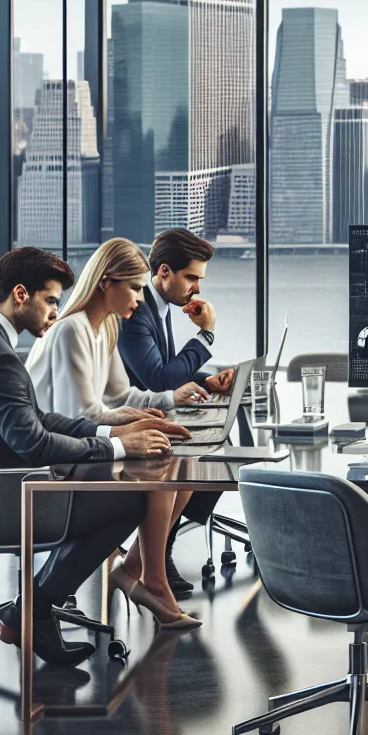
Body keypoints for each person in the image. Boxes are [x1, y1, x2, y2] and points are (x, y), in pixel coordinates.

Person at [0, 247, 181, 666]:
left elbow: (40, 419)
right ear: (20, 295)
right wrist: (120, 447)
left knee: (120, 487)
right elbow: (35, 444)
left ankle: (33, 610)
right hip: (1, 498)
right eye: (50, 300)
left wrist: (115, 432)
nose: (56, 310)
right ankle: (32, 608)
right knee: (133, 500)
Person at [27, 238, 201, 630]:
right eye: (135, 287)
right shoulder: (71, 330)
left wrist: (159, 409)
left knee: (184, 467)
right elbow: (79, 416)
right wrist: (138, 426)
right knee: (161, 465)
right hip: (55, 460)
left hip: (82, 444)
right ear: (106, 283)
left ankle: (135, 567)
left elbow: (120, 395)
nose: (141, 298)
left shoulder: (104, 327)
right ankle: (151, 580)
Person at [117, 228, 236, 593]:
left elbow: (167, 369)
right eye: (192, 277)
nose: (196, 288)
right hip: (133, 417)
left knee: (218, 444)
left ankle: (159, 545)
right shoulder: (138, 313)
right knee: (203, 450)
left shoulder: (161, 307)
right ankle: (157, 552)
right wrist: (206, 336)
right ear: (164, 271)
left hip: (153, 409)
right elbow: (156, 378)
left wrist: (204, 382)